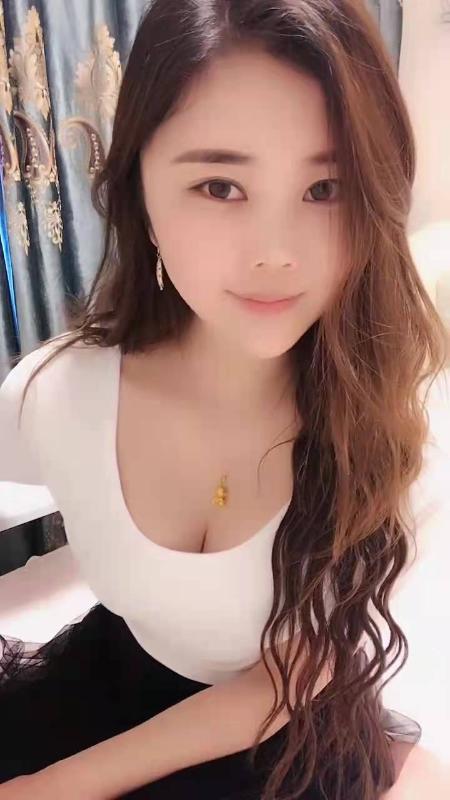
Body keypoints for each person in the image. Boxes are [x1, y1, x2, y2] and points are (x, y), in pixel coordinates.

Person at [0, 1, 449, 798]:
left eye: (326, 188)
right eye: (220, 185)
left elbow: (297, 670)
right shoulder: (61, 393)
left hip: (283, 739)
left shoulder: (397, 427)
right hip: (108, 684)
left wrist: (62, 785)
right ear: (138, 190)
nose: (276, 254)